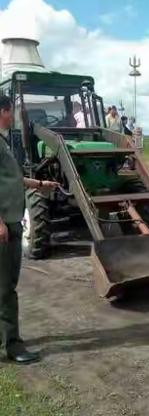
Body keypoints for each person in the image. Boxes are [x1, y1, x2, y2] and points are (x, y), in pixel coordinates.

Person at [0, 95, 58, 364]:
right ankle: (12, 345)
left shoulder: (2, 141)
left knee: (6, 285)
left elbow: (10, 177)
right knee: (5, 287)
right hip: (4, 224)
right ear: (3, 111)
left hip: (11, 221)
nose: (12, 117)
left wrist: (39, 184)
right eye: (10, 111)